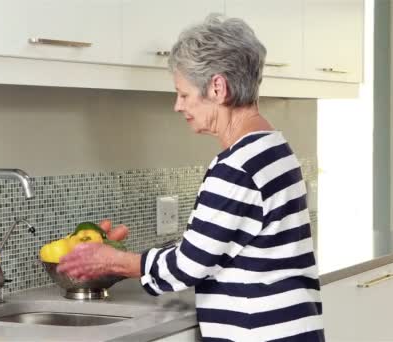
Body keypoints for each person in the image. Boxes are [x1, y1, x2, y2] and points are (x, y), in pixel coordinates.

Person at [58, 14, 324, 341]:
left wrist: (114, 262)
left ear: (217, 87)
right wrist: (117, 254)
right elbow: (213, 246)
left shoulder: (237, 166)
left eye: (183, 93)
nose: (177, 105)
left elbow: (190, 265)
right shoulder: (273, 147)